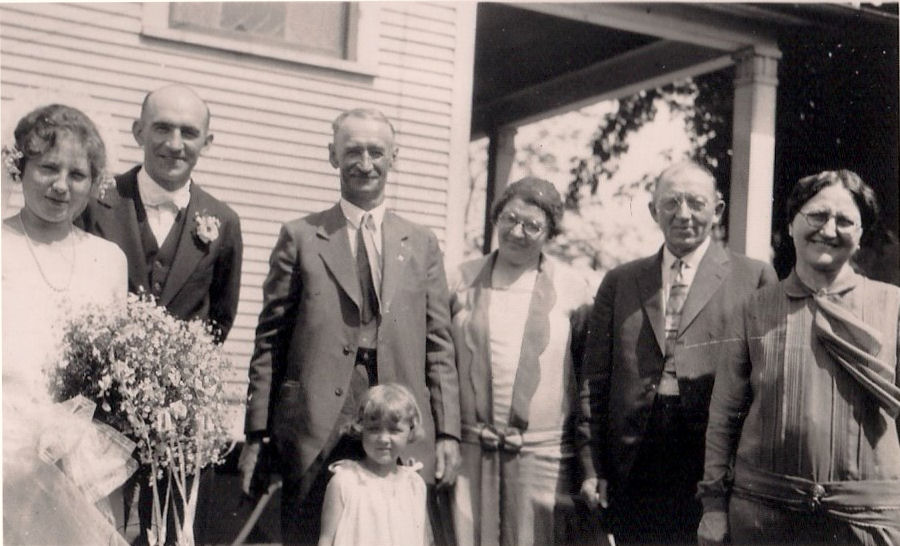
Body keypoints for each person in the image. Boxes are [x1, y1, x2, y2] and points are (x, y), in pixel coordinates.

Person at [240, 107, 461, 545]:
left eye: (376, 151)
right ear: (332, 156)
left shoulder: (420, 242)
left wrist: (448, 432)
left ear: (394, 157)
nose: (365, 162)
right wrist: (257, 432)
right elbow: (270, 341)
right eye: (353, 150)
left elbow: (439, 345)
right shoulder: (301, 236)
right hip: (316, 426)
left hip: (396, 425)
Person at [77, 83, 243, 544]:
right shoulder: (96, 201)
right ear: (137, 132)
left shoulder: (223, 221)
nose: (175, 143)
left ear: (206, 143)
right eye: (162, 128)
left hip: (178, 422)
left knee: (169, 533)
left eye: (189, 132)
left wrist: (175, 379)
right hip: (97, 410)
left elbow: (220, 318)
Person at [697, 170, 900, 545]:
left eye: (844, 220)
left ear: (861, 235)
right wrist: (712, 506)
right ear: (791, 224)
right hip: (765, 516)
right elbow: (724, 417)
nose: (829, 229)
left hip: (866, 523)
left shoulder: (894, 307)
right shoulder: (754, 310)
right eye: (817, 215)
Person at [580, 160, 777, 544]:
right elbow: (594, 382)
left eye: (696, 203)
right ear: (654, 211)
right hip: (635, 460)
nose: (683, 214)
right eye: (671, 203)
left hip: (713, 461)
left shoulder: (753, 277)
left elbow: (765, 387)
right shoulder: (621, 281)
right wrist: (592, 465)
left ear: (717, 210)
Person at [2, 103, 136, 545]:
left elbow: (112, 371)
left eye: (77, 175)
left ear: (95, 183)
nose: (61, 186)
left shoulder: (107, 259)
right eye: (48, 168)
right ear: (20, 167)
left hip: (79, 459)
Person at [448, 177, 595, 545]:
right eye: (509, 218)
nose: (517, 231)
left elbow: (587, 376)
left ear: (550, 233)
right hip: (469, 456)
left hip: (542, 460)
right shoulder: (460, 280)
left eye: (532, 225)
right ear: (496, 217)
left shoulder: (573, 287)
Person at [318, 383, 430, 546]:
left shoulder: (414, 484)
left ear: (410, 431)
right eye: (374, 429)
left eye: (394, 430)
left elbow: (421, 539)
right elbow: (326, 539)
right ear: (361, 429)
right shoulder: (345, 482)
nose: (384, 439)